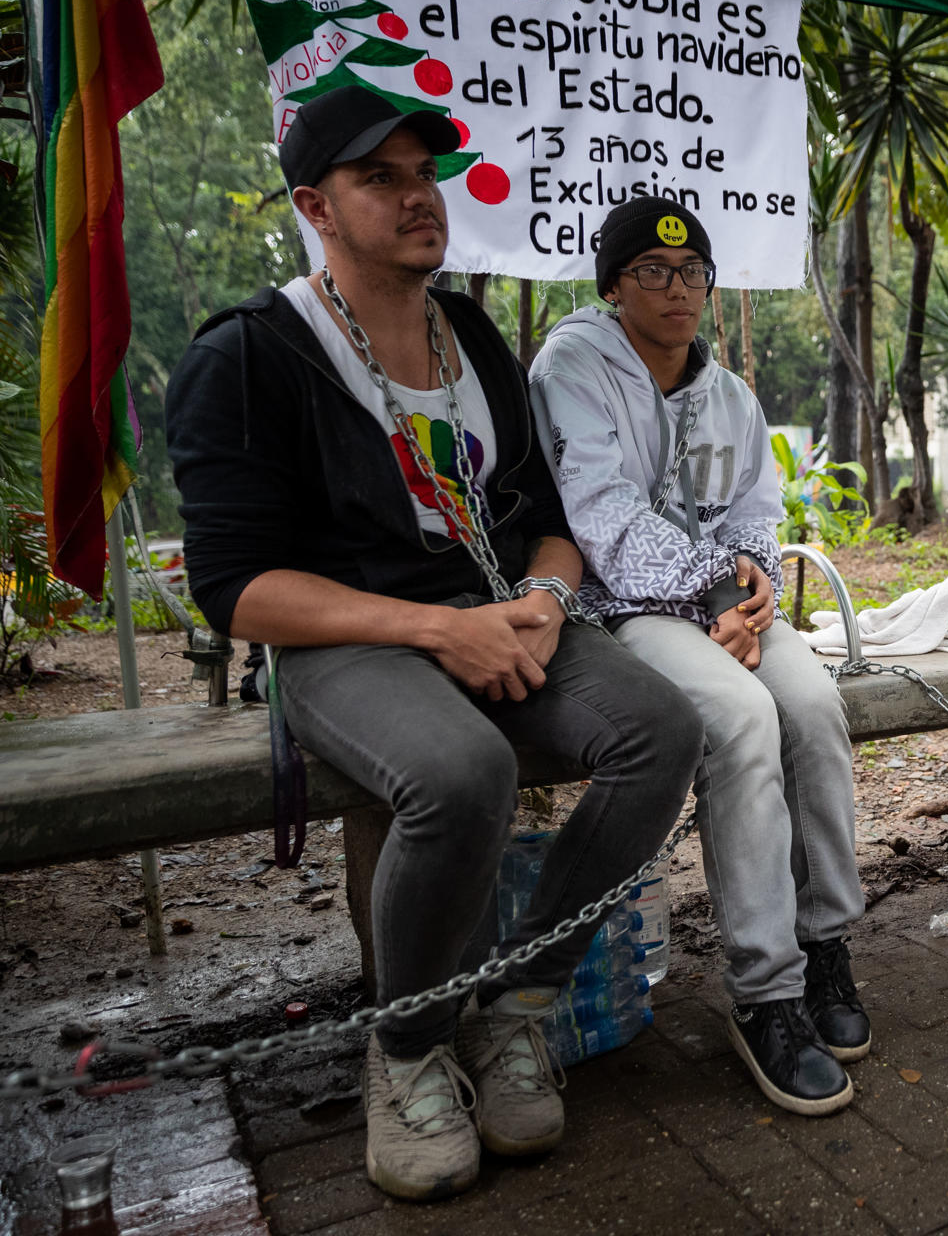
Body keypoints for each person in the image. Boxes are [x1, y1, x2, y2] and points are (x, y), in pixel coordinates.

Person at [165, 86, 702, 1201]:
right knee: (464, 769)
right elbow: (235, 588)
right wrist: (430, 627)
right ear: (316, 204)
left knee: (658, 727)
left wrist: (543, 608)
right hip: (348, 639)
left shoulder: (474, 341)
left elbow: (551, 524)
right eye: (382, 179)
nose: (419, 198)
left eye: (425, 174)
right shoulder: (253, 354)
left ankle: (520, 1007)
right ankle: (406, 1047)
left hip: (501, 613)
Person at [528, 199, 868, 1117]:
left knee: (816, 709)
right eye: (652, 272)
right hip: (627, 612)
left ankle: (824, 941)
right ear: (612, 283)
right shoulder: (573, 366)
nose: (677, 291)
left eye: (691, 275)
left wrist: (752, 598)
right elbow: (601, 522)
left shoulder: (731, 395)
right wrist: (724, 587)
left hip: (728, 612)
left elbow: (758, 516)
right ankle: (766, 994)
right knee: (743, 721)